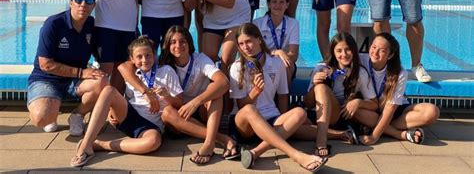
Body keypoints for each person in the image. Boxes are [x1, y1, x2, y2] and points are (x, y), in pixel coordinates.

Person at [120, 26, 239, 165]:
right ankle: (222, 139)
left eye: (183, 41)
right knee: (167, 112)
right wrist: (144, 92)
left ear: (189, 43)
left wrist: (195, 102)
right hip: (178, 116)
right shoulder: (161, 62)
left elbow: (223, 82)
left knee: (215, 90)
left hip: (200, 110)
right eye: (173, 42)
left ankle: (208, 143)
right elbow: (124, 67)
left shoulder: (200, 59)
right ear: (168, 45)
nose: (178, 46)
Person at [70, 36, 183, 167]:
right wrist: (110, 111)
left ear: (155, 55)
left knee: (154, 142)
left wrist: (166, 96)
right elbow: (123, 94)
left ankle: (100, 145)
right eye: (139, 57)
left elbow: (180, 103)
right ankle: (85, 145)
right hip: (129, 116)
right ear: (132, 59)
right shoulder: (132, 72)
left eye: (148, 55)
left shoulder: (166, 71)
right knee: (108, 91)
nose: (145, 60)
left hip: (151, 125)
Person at [229, 23, 327, 172]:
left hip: (271, 118)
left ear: (259, 40)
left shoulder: (276, 63)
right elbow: (241, 105)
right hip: (244, 124)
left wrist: (289, 122)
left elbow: (282, 97)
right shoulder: (237, 67)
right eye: (241, 44)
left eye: (248, 41)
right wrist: (256, 91)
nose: (245, 47)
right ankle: (296, 155)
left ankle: (256, 152)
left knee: (300, 113)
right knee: (250, 109)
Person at [27, 0, 108, 136]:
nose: (83, 4)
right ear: (71, 2)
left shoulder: (92, 26)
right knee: (41, 118)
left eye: (88, 1)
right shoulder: (54, 24)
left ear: (93, 5)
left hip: (73, 81)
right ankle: (51, 109)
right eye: (78, 0)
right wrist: (80, 72)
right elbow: (45, 64)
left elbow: (101, 55)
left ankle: (77, 115)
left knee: (102, 81)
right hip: (47, 79)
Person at [355, 33, 439, 145]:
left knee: (432, 112)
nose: (375, 52)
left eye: (382, 51)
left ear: (390, 55)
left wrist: (374, 137)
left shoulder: (399, 72)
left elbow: (390, 109)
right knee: (353, 108)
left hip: (394, 111)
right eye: (374, 47)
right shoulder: (360, 60)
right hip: (370, 109)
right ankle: (399, 134)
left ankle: (378, 128)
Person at [305, 32, 377, 158]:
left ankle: (324, 137)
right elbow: (308, 103)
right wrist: (315, 84)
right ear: (333, 52)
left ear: (354, 51)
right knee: (321, 87)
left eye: (348, 50)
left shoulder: (360, 72)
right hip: (323, 114)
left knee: (374, 119)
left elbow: (374, 104)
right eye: (339, 51)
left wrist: (358, 103)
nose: (344, 55)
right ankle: (330, 137)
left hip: (343, 113)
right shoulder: (321, 68)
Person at [253, 0, 299, 89]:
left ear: (287, 5)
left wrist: (279, 57)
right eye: (274, 2)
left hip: (285, 62)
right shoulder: (257, 23)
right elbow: (256, 52)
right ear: (269, 4)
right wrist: (277, 52)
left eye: (281, 2)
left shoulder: (293, 23)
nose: (278, 5)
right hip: (263, 60)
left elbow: (294, 55)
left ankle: (283, 102)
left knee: (284, 65)